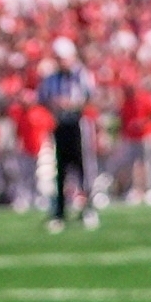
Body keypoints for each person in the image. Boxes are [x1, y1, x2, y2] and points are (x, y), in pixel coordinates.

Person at [36, 37, 98, 232]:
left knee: (83, 169)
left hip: (78, 124)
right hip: (60, 124)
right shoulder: (51, 78)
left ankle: (88, 209)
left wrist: (71, 104)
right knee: (61, 170)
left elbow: (91, 99)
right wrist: (54, 104)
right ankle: (60, 212)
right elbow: (42, 98)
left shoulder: (82, 75)